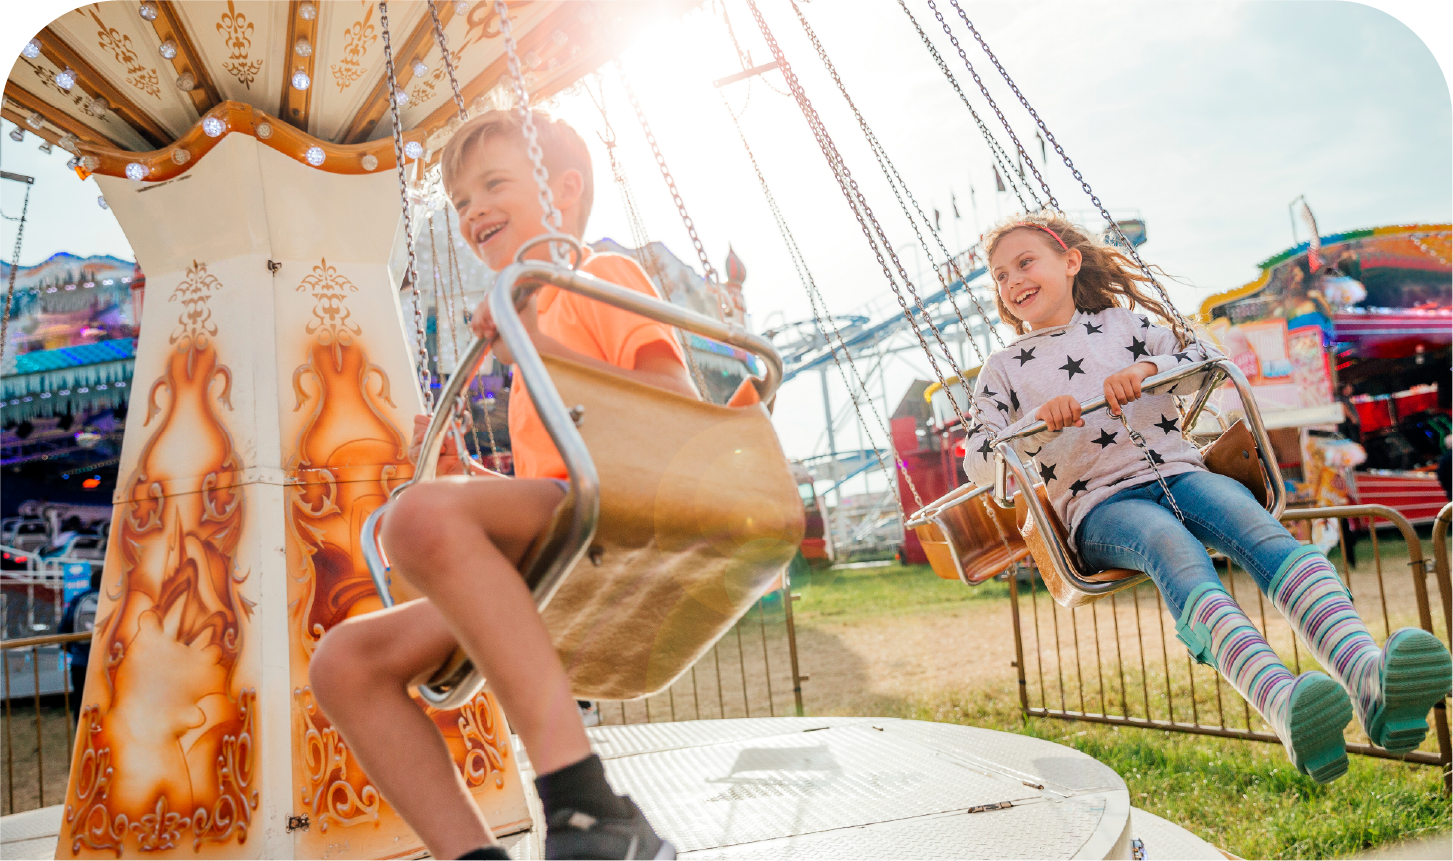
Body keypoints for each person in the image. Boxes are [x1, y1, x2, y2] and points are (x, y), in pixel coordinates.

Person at [309, 110, 688, 861]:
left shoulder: (597, 279)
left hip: (628, 521)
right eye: (458, 200)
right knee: (342, 663)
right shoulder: (525, 325)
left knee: (412, 522)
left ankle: (590, 810)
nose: (472, 208)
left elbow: (670, 405)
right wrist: (465, 478)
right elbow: (547, 481)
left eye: (492, 183)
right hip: (559, 548)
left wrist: (535, 342)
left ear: (564, 189)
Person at [962, 213, 1453, 784]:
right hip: (1100, 508)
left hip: (1181, 472)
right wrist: (1034, 427)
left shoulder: (1127, 325)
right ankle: (1282, 703)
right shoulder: (1001, 370)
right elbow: (980, 458)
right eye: (999, 276)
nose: (1013, 281)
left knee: (1263, 534)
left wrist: (1147, 369)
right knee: (1172, 547)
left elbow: (1202, 359)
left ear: (1070, 262)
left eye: (1025, 263)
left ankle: (1370, 681)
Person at [57, 567, 101, 726]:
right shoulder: (114, 599)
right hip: (107, 664)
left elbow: (63, 630)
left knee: (81, 704)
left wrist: (74, 651)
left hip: (81, 662)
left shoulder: (79, 599)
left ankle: (80, 743)